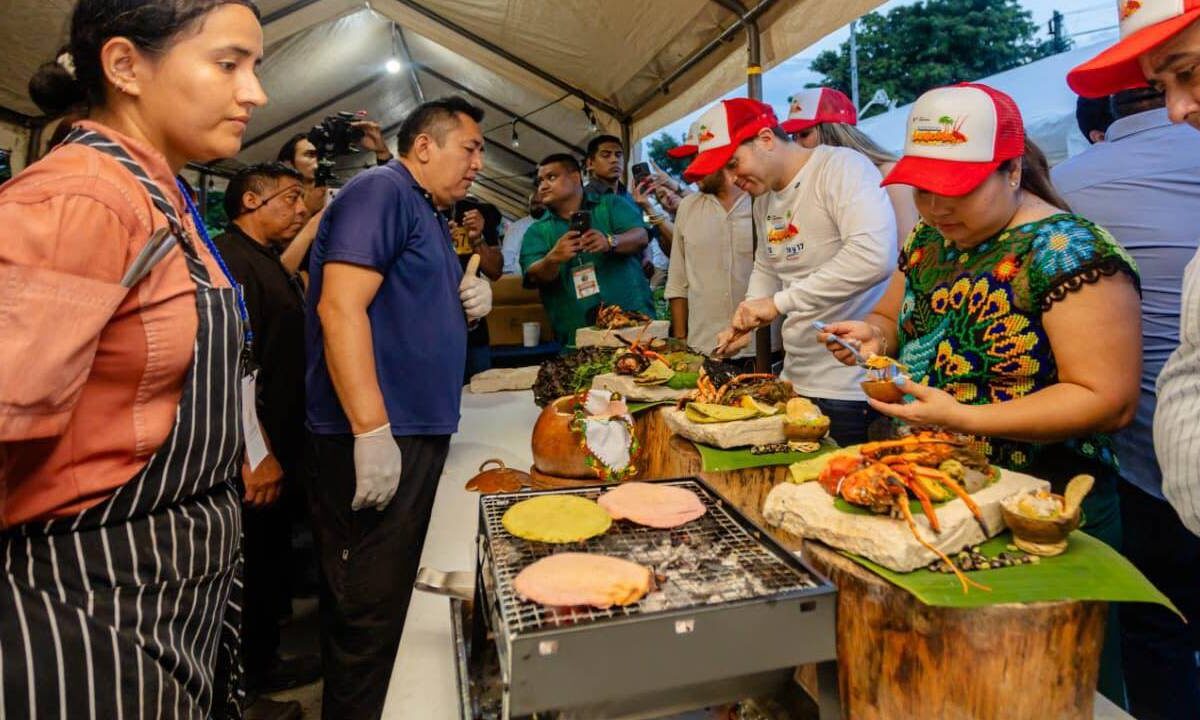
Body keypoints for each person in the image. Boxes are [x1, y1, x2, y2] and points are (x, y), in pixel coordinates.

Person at [817, 83, 1142, 703]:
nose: (935, 204)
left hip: (1042, 510)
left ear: (1014, 168)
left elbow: (1107, 398)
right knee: (950, 681)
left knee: (1042, 685)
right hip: (937, 490)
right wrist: (869, 335)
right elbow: (891, 320)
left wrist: (965, 416)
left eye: (957, 186)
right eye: (922, 187)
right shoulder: (930, 242)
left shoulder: (1067, 250)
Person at [1, 1, 268, 717]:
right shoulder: (81, 199)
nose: (255, 93)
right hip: (85, 606)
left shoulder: (162, 193)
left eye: (256, 67)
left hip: (170, 591)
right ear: (125, 66)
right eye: (228, 64)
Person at [305, 95, 492, 720]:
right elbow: (339, 307)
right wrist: (371, 430)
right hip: (380, 433)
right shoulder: (381, 191)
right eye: (470, 148)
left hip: (416, 428)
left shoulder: (427, 210)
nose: (478, 164)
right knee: (368, 608)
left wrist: (462, 299)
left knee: (390, 603)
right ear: (423, 147)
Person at [1069, 0, 1200, 546]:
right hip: (1154, 476)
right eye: (1164, 85)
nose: (1176, 110)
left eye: (1188, 72)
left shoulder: (1064, 198)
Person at [699, 98, 898, 445]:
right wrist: (747, 314)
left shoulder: (841, 168)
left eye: (734, 163)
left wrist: (778, 303)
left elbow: (873, 256)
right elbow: (767, 263)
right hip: (794, 381)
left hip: (848, 387)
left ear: (765, 138)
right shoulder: (763, 199)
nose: (732, 178)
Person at [212, 163, 324, 712]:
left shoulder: (267, 262)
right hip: (257, 448)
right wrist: (256, 454)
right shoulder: (230, 262)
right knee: (252, 561)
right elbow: (233, 366)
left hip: (284, 435)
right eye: (290, 199)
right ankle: (251, 679)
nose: (301, 210)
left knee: (272, 554)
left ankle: (266, 658)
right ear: (251, 200)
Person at [520, 153, 653, 347]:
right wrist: (552, 259)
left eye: (551, 177)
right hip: (577, 341)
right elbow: (533, 275)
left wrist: (610, 241)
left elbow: (641, 236)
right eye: (540, 181)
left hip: (634, 331)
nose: (543, 186)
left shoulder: (610, 205)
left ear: (575, 177)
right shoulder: (537, 231)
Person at [783, 87, 919, 246]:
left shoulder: (889, 174)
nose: (797, 145)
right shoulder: (816, 181)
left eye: (804, 134)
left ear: (834, 132)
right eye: (794, 137)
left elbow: (904, 250)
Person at [664, 165, 755, 362]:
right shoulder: (688, 207)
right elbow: (678, 279)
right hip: (703, 347)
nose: (692, 170)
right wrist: (681, 340)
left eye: (702, 160)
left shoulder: (761, 201)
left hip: (760, 348)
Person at [277, 118, 392, 217]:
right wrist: (309, 211)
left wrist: (382, 152)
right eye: (310, 155)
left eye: (322, 154)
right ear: (289, 163)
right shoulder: (277, 203)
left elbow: (386, 198)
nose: (319, 159)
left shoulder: (340, 193)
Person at [450, 195, 504, 378]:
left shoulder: (474, 213)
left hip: (473, 332)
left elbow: (495, 271)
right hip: (431, 334)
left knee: (481, 393)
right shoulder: (414, 211)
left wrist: (477, 238)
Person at [501, 191, 545, 274]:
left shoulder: (555, 225)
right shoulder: (517, 227)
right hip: (522, 279)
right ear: (529, 205)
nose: (539, 206)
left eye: (543, 203)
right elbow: (507, 257)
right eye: (535, 203)